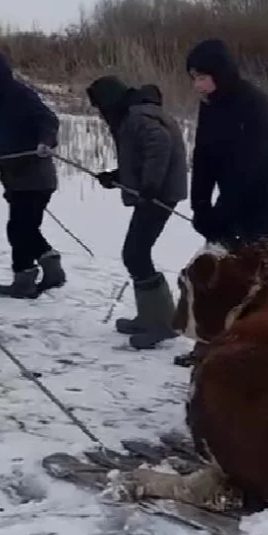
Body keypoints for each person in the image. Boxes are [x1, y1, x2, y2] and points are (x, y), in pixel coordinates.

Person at [184, 38, 268, 289]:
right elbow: (204, 157)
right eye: (193, 79)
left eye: (201, 77)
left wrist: (221, 214)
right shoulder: (211, 106)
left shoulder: (254, 105)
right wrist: (200, 206)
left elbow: (248, 168)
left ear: (219, 73)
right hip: (235, 215)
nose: (197, 86)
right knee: (227, 292)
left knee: (261, 292)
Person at [85, 76, 187, 349]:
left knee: (135, 254)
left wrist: (150, 186)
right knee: (136, 253)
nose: (100, 113)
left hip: (160, 195)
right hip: (157, 192)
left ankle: (162, 323)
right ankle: (151, 317)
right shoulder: (138, 113)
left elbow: (160, 144)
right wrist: (117, 177)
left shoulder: (137, 117)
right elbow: (141, 158)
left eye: (100, 106)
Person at [0, 48, 64, 298]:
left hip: (34, 177)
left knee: (23, 229)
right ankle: (25, 278)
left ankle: (48, 269)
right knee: (20, 228)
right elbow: (6, 145)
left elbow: (49, 120)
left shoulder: (20, 95)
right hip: (20, 180)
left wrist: (46, 141)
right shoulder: (2, 101)